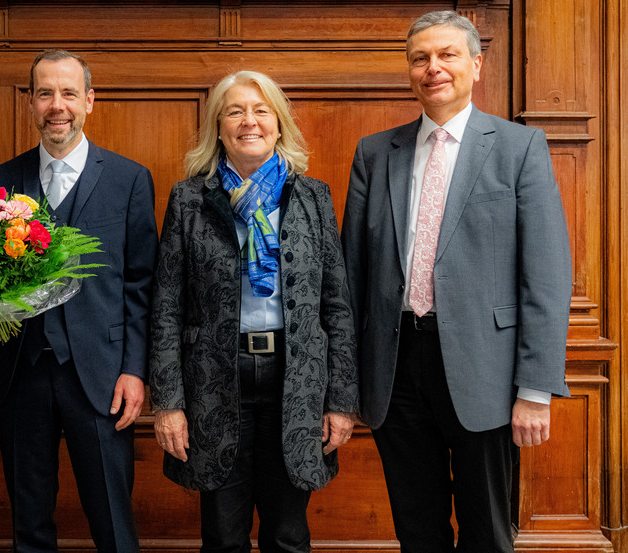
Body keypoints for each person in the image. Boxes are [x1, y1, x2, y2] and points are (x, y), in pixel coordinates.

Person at [340, 10, 572, 552]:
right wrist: (344, 380)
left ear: (475, 63)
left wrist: (535, 390)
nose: (433, 68)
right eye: (420, 58)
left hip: (485, 371)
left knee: (488, 531)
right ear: (409, 71)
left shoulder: (519, 147)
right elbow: (351, 277)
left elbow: (545, 275)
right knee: (417, 531)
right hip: (394, 368)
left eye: (446, 55)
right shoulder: (376, 153)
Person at [150, 70, 359, 553]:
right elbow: (166, 306)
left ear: (279, 124)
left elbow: (337, 306)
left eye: (261, 110)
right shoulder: (189, 200)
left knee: (288, 534)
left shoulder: (312, 197)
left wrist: (341, 401)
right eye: (235, 111)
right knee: (223, 536)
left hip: (298, 379)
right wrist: (169, 402)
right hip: (214, 381)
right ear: (218, 127)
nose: (250, 121)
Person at [0, 49, 157, 553]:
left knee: (112, 523)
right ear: (31, 102)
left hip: (102, 377)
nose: (56, 105)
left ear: (89, 100)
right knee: (29, 524)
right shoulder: (2, 179)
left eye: (67, 93)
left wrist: (134, 369)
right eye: (44, 94)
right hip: (21, 374)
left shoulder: (129, 179)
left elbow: (142, 284)